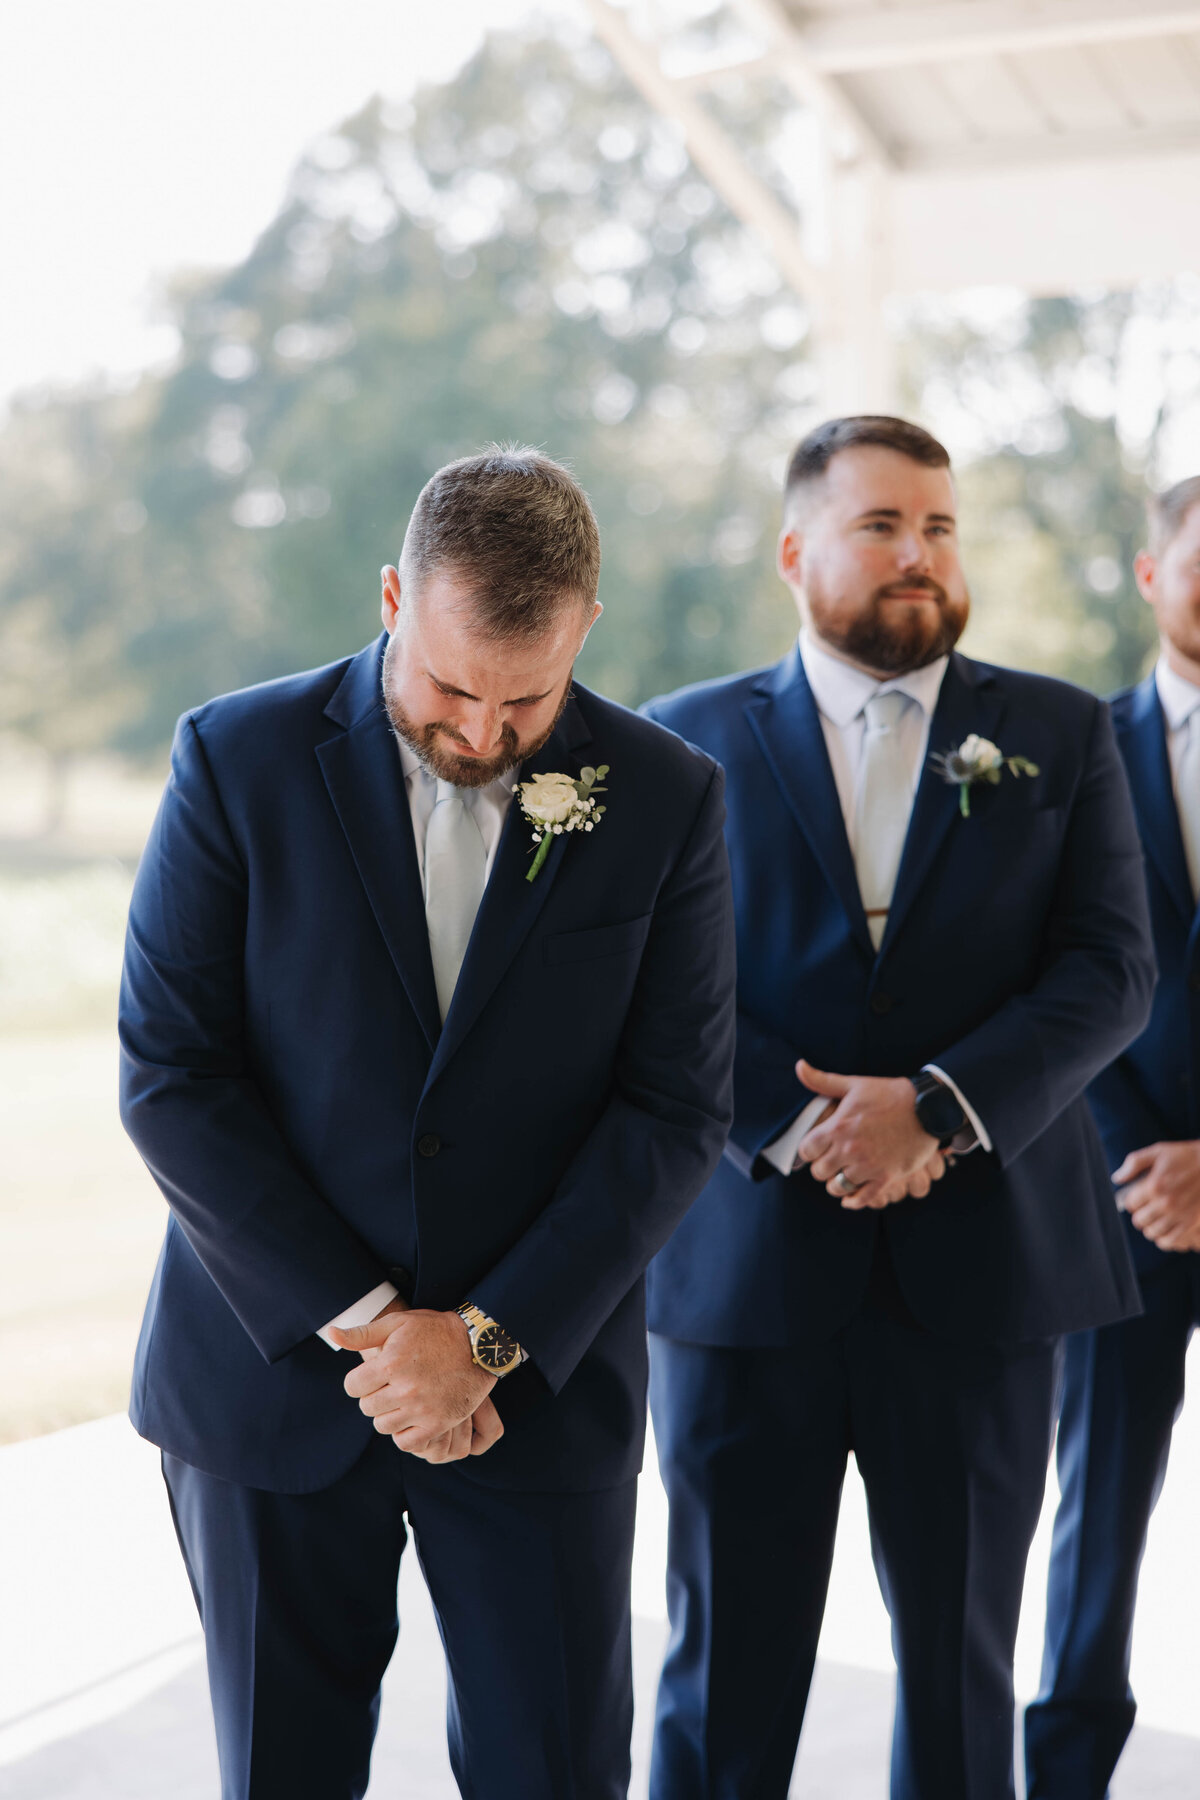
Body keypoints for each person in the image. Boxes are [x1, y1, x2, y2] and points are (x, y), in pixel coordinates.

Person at [119, 447, 737, 1800]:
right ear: (394, 594)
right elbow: (172, 1073)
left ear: (586, 629)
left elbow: (675, 1106)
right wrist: (380, 1326)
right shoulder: (236, 758)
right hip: (271, 1380)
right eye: (453, 687)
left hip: (539, 1395)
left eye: (529, 697)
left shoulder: (670, 795)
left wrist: (486, 1340)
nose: (483, 732)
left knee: (557, 1771)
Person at [641, 415, 1155, 1800]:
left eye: (938, 525)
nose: (918, 553)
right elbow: (643, 990)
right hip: (744, 1280)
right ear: (796, 550)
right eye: (882, 526)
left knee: (960, 1676)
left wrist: (936, 1109)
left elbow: (1111, 969)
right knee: (719, 1681)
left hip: (987, 1281)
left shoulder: (1056, 730)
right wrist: (804, 1123)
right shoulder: (678, 747)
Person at [1024, 475, 1200, 1796]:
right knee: (1097, 1517)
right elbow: (1044, 984)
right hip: (1118, 1200)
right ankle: (1067, 1771)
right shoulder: (1074, 752)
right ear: (1151, 576)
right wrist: (1139, 1160)